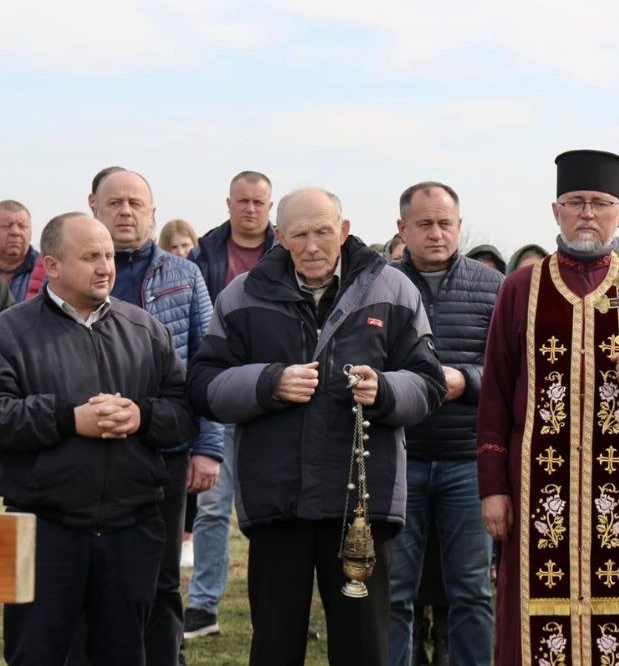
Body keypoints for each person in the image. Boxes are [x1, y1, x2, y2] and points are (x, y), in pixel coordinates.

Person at [187, 186, 446, 665]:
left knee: (363, 649)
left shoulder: (392, 289)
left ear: (343, 231)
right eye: (300, 234)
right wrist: (268, 383)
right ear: (280, 236)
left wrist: (384, 390)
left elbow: (429, 384)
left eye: (323, 232)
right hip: (276, 502)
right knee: (275, 646)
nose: (311, 246)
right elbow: (204, 385)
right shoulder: (241, 294)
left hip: (362, 506)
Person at [476, 150, 619, 665]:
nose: (588, 213)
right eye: (576, 202)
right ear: (557, 211)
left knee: (615, 622)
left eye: (600, 203)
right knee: (530, 622)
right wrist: (493, 489)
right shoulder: (521, 289)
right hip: (535, 491)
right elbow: (495, 395)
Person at [0, 213, 197, 666]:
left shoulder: (146, 329)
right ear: (52, 265)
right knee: (34, 654)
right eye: (90, 256)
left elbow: (185, 413)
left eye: (107, 255)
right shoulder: (10, 332)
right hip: (38, 528)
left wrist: (141, 416)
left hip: (132, 528)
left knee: (124, 653)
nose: (105, 266)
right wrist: (69, 419)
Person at [89, 169, 224, 665]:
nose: (125, 211)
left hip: (164, 450)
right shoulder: (74, 271)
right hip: (88, 451)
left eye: (135, 203)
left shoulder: (184, 275)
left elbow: (208, 364)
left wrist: (208, 447)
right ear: (94, 207)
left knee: (162, 580)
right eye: (115, 202)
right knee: (94, 575)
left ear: (153, 212)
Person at [388, 181, 503, 666]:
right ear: (403, 228)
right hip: (399, 459)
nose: (436, 233)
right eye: (424, 224)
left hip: (466, 461)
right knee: (395, 591)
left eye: (445, 223)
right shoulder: (379, 285)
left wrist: (466, 380)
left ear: (459, 226)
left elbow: (510, 369)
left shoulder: (491, 286)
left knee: (471, 590)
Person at [183, 170, 278, 640]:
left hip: (274, 399)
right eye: (243, 201)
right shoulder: (203, 257)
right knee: (212, 509)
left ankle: (281, 605)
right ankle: (203, 607)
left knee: (277, 512)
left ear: (270, 206)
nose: (250, 209)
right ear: (228, 203)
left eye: (259, 201)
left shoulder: (289, 252)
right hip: (220, 398)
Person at [0, 200, 39, 301]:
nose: (15, 232)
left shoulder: (49, 273)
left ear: (31, 232)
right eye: (6, 225)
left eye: (22, 226)